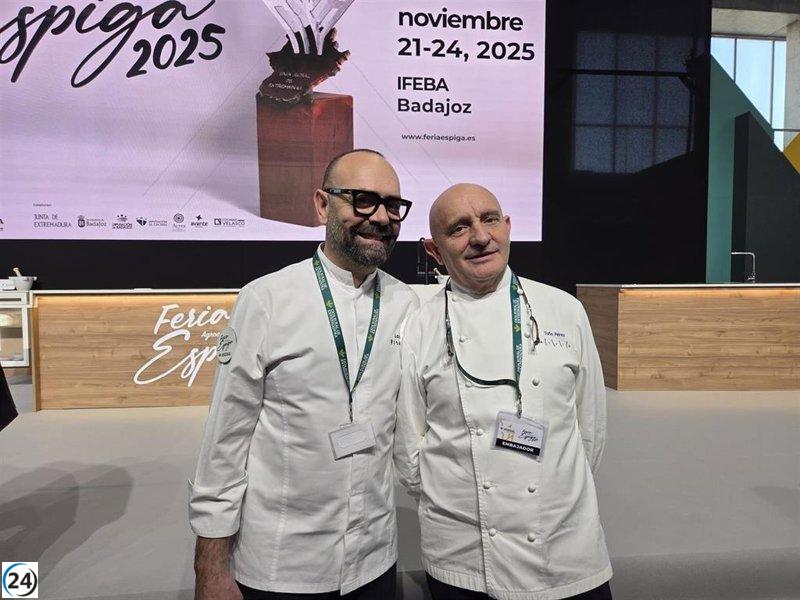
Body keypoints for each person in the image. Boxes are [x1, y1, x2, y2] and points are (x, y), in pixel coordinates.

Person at [190, 149, 419, 600]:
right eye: (362, 199)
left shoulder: (407, 305)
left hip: (374, 561)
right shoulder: (266, 300)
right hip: (281, 564)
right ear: (321, 205)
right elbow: (225, 440)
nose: (381, 217)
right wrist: (210, 567)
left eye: (393, 205)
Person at [394, 183, 612, 600]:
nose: (480, 237)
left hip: (565, 548)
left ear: (507, 227)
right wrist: (456, 500)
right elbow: (409, 447)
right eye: (458, 228)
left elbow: (590, 432)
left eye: (489, 219)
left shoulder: (563, 309)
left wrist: (555, 490)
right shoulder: (418, 326)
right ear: (433, 251)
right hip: (466, 557)